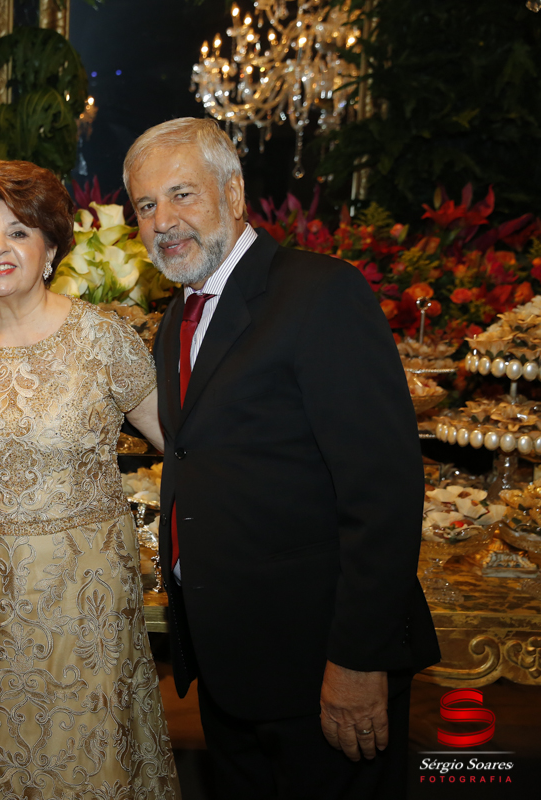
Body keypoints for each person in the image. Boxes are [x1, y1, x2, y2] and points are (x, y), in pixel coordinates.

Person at [126, 117, 440, 799]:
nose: (163, 221)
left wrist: (358, 659)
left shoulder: (320, 293)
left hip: (319, 666)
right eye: (146, 205)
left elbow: (383, 494)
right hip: (231, 668)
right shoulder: (181, 315)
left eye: (182, 194)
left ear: (235, 193)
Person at [0, 159, 180, 799]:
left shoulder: (102, 339)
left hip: (87, 606)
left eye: (18, 232)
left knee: (92, 764)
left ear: (50, 248)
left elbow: (185, 447)